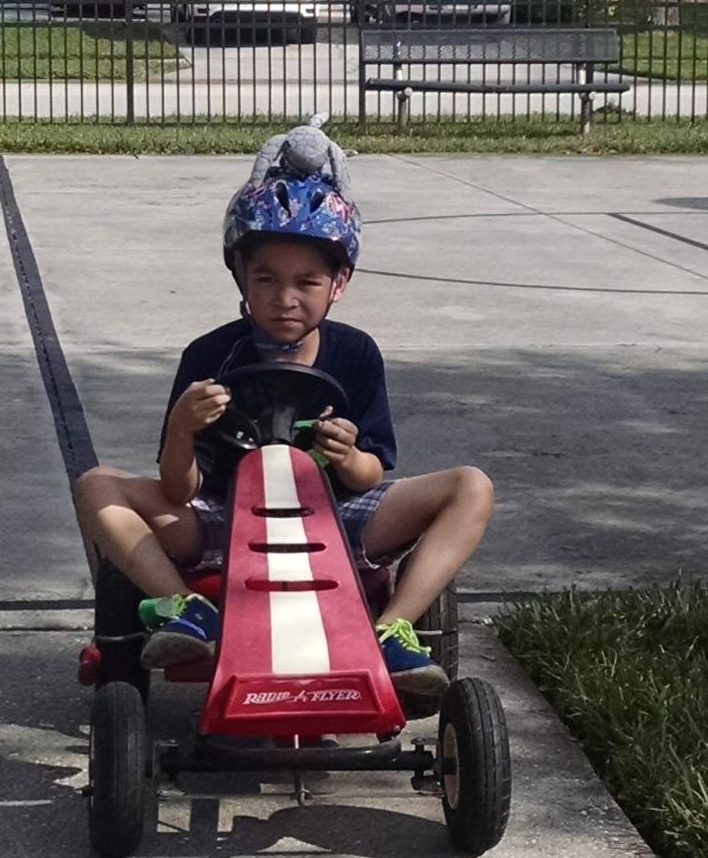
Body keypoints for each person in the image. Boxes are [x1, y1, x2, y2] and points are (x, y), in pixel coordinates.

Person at [73, 172, 494, 710]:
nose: (286, 299)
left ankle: (391, 630)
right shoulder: (210, 356)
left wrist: (349, 456)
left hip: (337, 519)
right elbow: (178, 490)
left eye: (307, 282)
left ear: (338, 283)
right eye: (267, 279)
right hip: (224, 519)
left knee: (471, 486)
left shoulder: (356, 353)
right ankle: (185, 607)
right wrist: (182, 427)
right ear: (241, 276)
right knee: (96, 485)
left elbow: (372, 471)